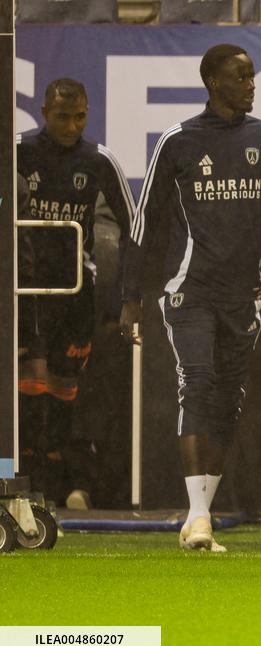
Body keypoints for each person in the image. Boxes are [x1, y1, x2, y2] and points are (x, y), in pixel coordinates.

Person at [119, 44, 261, 551]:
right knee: (197, 383)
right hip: (187, 290)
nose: (251, 84)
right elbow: (144, 225)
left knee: (227, 399)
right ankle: (199, 520)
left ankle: (199, 516)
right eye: (241, 77)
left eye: (252, 75)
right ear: (214, 83)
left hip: (244, 295)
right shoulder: (178, 141)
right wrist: (130, 297)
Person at [16, 78, 135, 505]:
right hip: (24, 292)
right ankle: (25, 489)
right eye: (62, 116)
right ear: (45, 112)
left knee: (64, 396)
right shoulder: (18, 150)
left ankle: (61, 486)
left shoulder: (99, 160)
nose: (71, 126)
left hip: (76, 291)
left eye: (79, 116)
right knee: (27, 394)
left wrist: (128, 293)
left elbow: (133, 227)